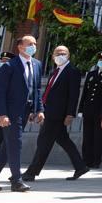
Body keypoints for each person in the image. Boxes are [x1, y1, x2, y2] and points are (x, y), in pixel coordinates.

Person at [23, 44, 86, 182]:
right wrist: (39, 109)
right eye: (57, 53)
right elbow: (47, 93)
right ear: (52, 56)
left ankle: (31, 172)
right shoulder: (54, 72)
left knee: (44, 142)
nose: (60, 56)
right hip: (49, 111)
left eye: (63, 53)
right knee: (63, 140)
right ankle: (80, 166)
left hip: (58, 114)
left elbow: (73, 95)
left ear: (68, 55)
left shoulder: (72, 71)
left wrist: (70, 114)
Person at [0, 35, 42, 193]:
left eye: (34, 43)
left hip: (26, 112)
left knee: (7, 147)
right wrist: (2, 114)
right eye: (29, 44)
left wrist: (39, 110)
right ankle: (16, 181)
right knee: (16, 144)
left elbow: (37, 89)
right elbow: (0, 92)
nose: (33, 46)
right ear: (20, 47)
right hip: (11, 113)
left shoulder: (37, 64)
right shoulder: (9, 66)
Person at [79, 51, 102, 169]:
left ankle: (96, 160)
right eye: (100, 60)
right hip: (88, 110)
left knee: (98, 137)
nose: (101, 62)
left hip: (101, 112)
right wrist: (81, 109)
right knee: (87, 135)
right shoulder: (91, 74)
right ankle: (85, 159)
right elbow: (85, 93)